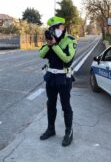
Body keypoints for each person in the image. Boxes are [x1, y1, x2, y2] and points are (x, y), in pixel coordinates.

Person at [39, 16, 77, 147]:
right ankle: (51, 129)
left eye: (57, 27)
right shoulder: (50, 41)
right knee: (50, 104)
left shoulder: (70, 40)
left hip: (64, 79)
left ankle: (69, 132)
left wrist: (54, 45)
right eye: (52, 28)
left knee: (65, 106)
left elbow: (67, 59)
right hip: (51, 78)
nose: (55, 30)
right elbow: (41, 54)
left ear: (63, 27)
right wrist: (49, 44)